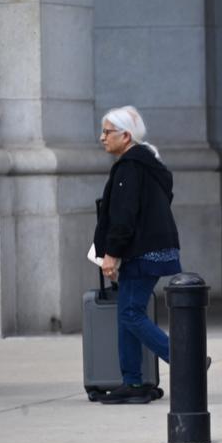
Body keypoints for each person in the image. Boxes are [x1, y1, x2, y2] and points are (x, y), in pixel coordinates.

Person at [93, 106, 182, 405]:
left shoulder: (129, 167)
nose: (102, 137)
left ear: (126, 136)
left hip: (142, 252)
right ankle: (132, 381)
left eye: (107, 132)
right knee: (128, 312)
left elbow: (124, 215)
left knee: (130, 313)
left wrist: (111, 253)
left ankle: (185, 360)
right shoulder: (149, 163)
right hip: (153, 249)